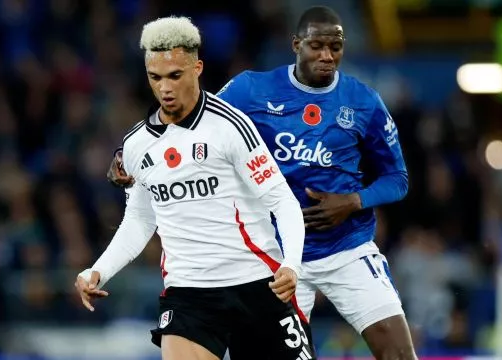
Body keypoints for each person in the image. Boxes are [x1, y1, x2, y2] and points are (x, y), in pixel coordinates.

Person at [108, 6, 418, 360]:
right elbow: (193, 122)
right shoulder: (251, 89)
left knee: (399, 353)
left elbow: (398, 178)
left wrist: (354, 201)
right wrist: (127, 154)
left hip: (347, 247)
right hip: (275, 257)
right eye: (317, 46)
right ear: (296, 44)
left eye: (336, 46)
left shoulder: (364, 101)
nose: (327, 56)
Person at [76, 16, 316, 360]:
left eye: (175, 75)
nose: (165, 88)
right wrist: (97, 270)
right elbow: (140, 220)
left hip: (258, 284)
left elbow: (282, 201)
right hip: (189, 294)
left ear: (197, 68)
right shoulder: (135, 145)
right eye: (155, 78)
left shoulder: (230, 126)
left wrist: (291, 264)